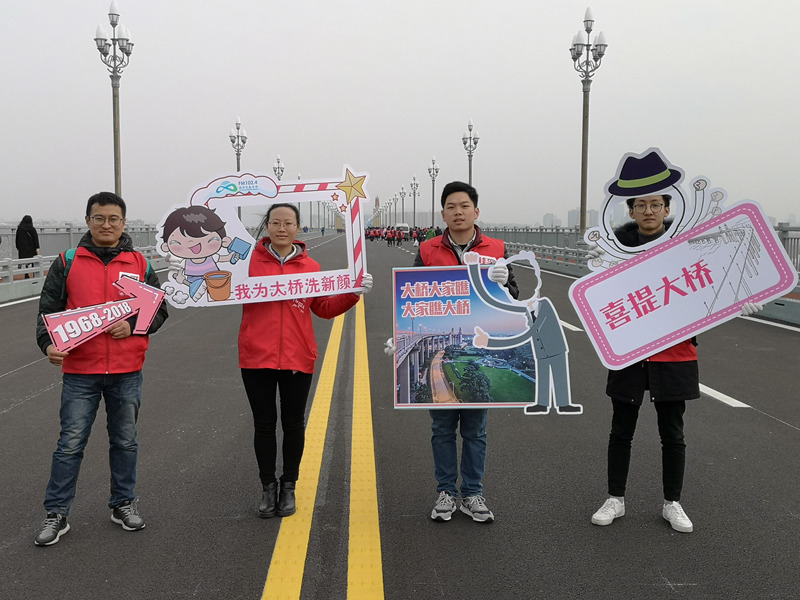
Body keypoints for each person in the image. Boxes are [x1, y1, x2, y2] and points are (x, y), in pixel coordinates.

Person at [33, 192, 169, 546]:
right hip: (80, 371)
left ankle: (123, 503)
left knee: (125, 441)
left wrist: (134, 326)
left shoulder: (140, 262)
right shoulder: (67, 261)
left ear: (123, 223)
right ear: (88, 221)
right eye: (99, 218)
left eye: (113, 219)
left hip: (127, 370)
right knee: (69, 444)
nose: (106, 225)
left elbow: (159, 310)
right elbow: (48, 311)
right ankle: (56, 513)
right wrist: (47, 345)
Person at [391, 181, 519, 523]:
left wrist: (504, 282)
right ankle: (446, 492)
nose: (458, 212)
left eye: (464, 206)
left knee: (476, 431)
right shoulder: (428, 249)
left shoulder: (497, 248)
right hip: (444, 331)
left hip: (478, 340)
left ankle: (473, 493)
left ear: (476, 211)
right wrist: (399, 333)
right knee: (442, 430)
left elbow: (514, 298)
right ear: (443, 213)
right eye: (451, 206)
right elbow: (412, 296)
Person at [238, 203, 373, 518]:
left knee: (293, 423)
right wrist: (187, 273)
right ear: (267, 226)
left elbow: (323, 308)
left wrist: (353, 293)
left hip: (298, 357)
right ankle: (267, 487)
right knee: (264, 424)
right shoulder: (246, 263)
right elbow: (215, 286)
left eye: (288, 223)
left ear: (298, 228)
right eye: (275, 222)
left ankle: (289, 486)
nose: (281, 228)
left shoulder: (310, 266)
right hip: (256, 357)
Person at [590, 192, 700, 533]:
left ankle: (672, 503)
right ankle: (615, 498)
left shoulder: (686, 249)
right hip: (630, 352)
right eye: (641, 205)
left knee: (673, 432)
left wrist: (740, 301)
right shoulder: (616, 250)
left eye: (655, 205)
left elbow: (706, 289)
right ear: (632, 211)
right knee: (621, 429)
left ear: (667, 209)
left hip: (674, 352)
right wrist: (599, 265)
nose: (648, 211)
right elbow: (601, 297)